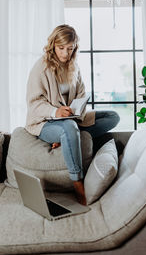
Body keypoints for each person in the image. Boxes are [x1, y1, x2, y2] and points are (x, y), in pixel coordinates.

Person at [25, 24, 120, 205]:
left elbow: (81, 94)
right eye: (61, 48)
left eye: (70, 49)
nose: (65, 54)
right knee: (68, 127)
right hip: (45, 123)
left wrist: (77, 109)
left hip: (71, 119)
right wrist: (55, 111)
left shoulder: (73, 66)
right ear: (53, 45)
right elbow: (34, 103)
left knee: (113, 117)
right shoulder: (41, 67)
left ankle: (67, 139)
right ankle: (77, 182)